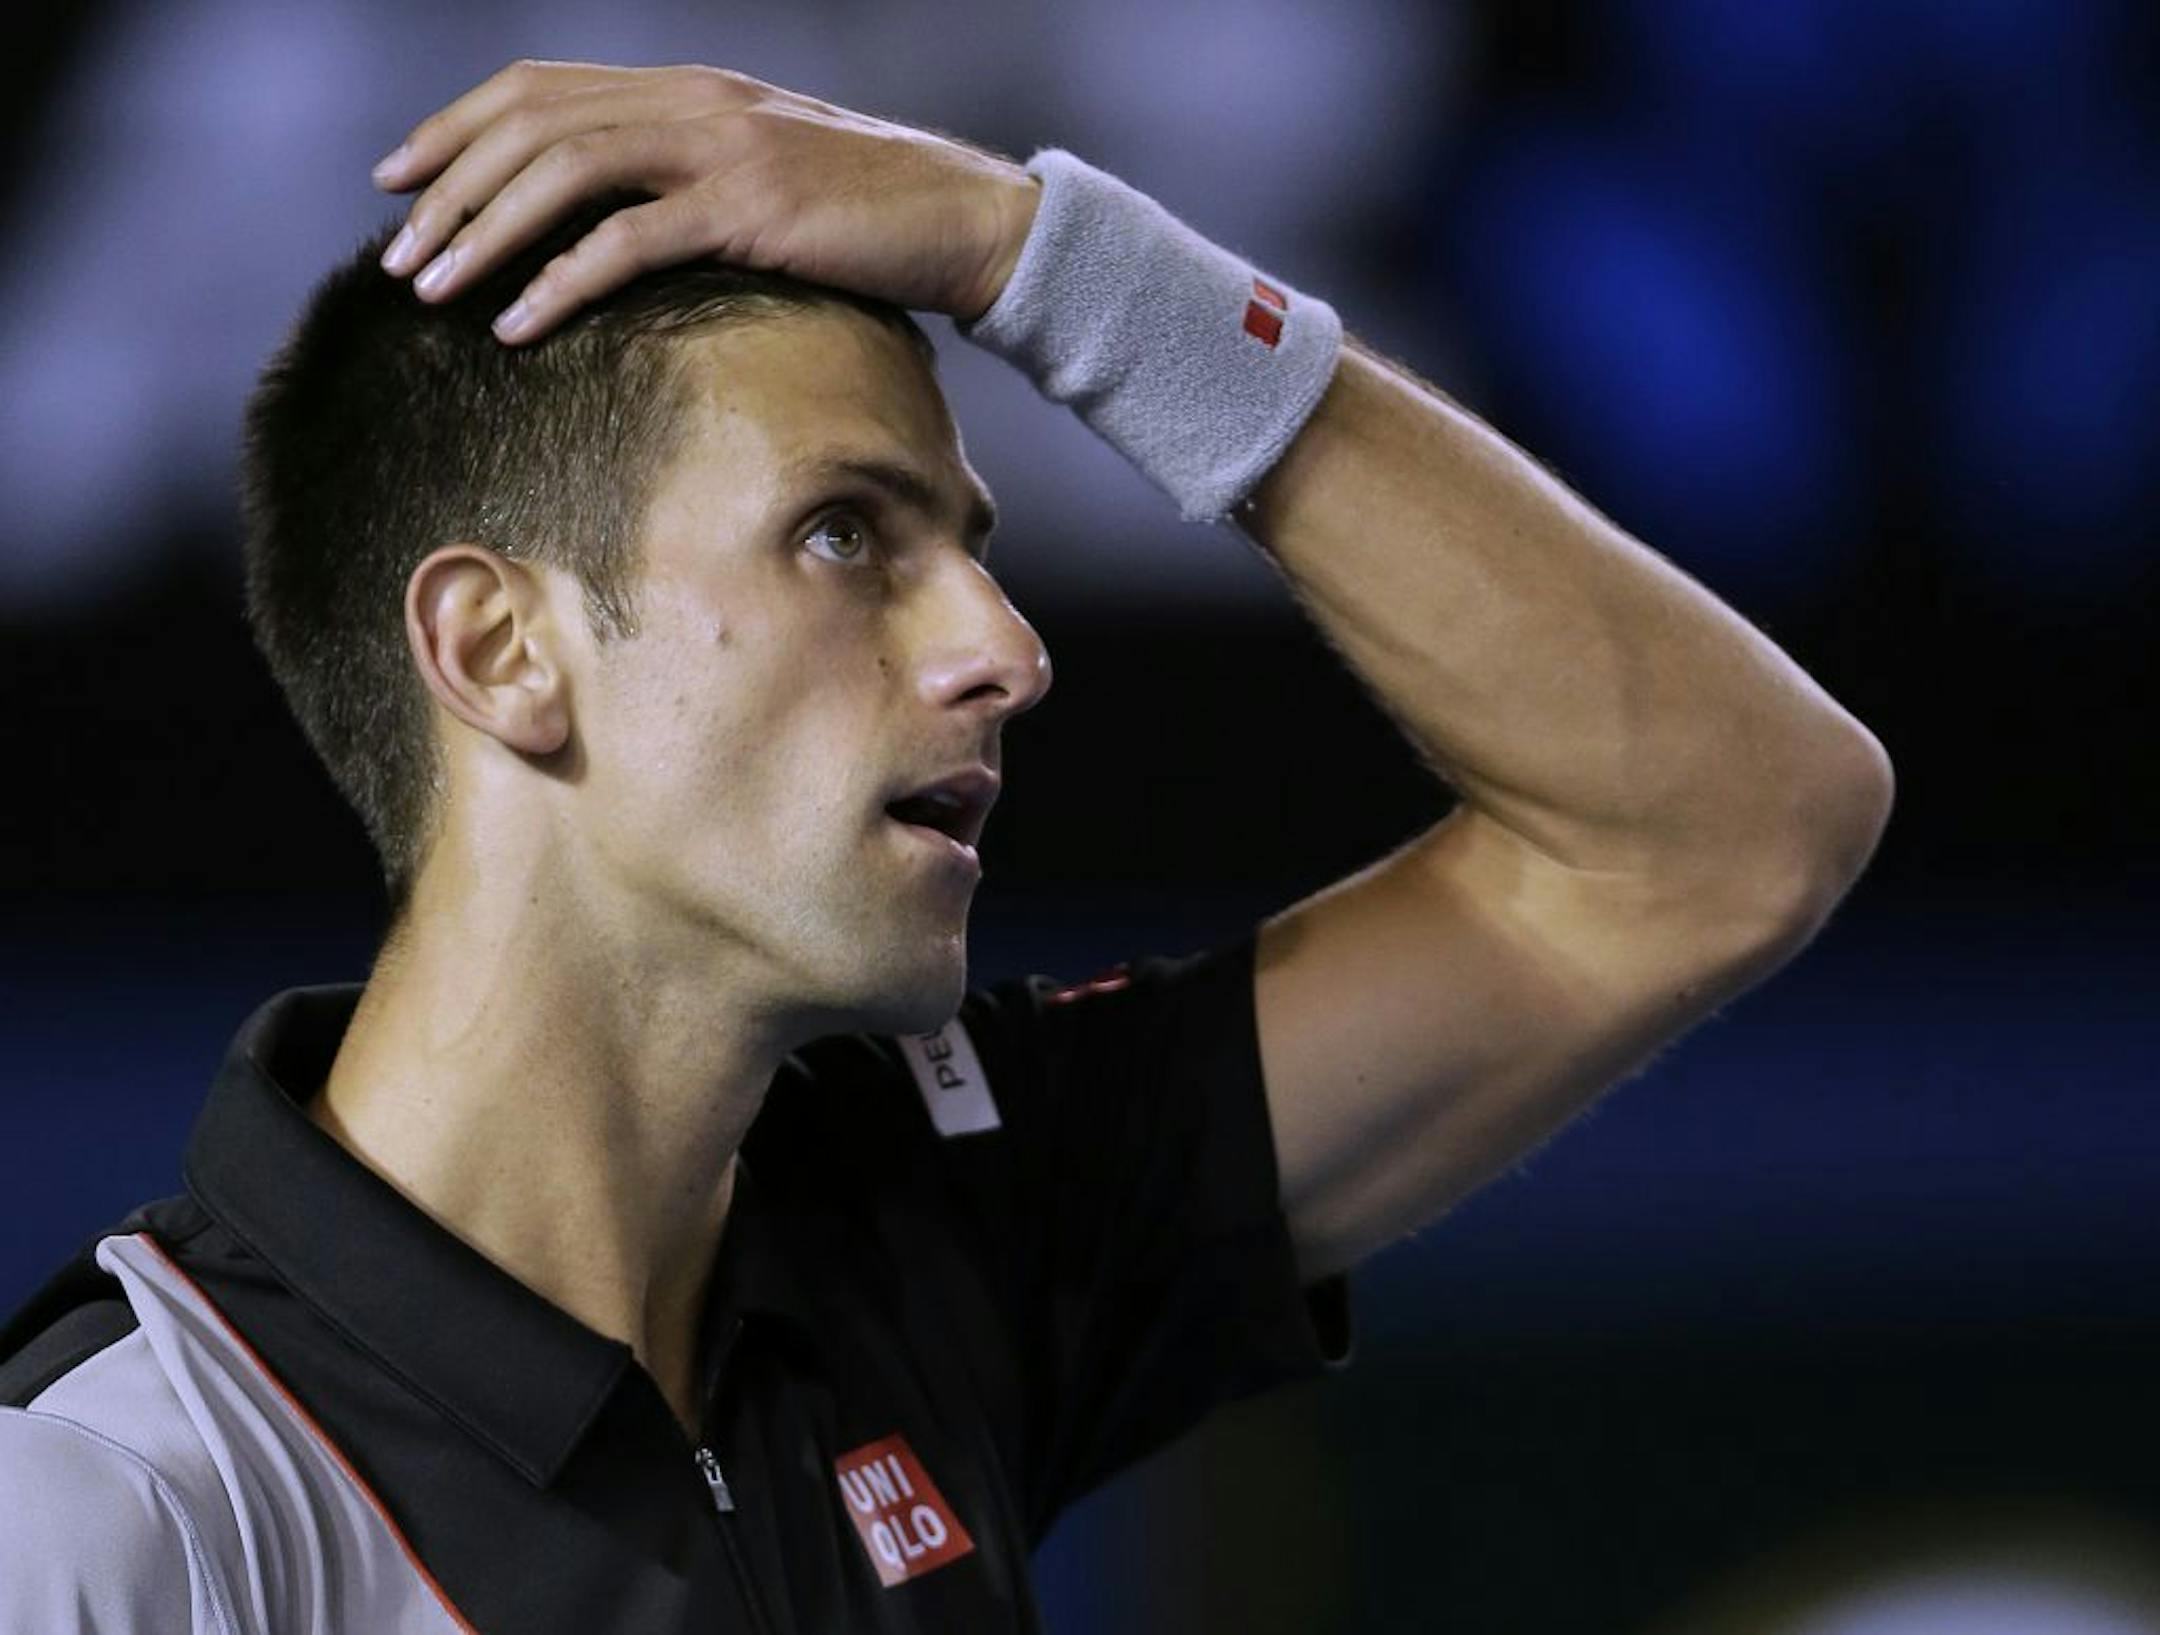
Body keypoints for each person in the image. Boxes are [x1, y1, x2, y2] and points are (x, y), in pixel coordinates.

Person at [0, 59, 1893, 1634]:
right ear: (503, 651)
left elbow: (1726, 828)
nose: (1003, 649)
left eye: (974, 547)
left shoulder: (950, 1218)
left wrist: (1046, 260)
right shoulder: (115, 1506)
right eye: (846, 536)